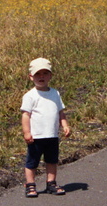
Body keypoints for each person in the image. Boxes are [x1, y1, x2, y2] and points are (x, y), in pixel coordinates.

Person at [21, 57, 71, 198]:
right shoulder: (30, 96)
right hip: (36, 136)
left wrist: (65, 125)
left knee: (52, 160)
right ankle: (30, 185)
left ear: (50, 76)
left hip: (52, 135)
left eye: (45, 73)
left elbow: (60, 111)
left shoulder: (55, 93)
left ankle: (51, 183)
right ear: (31, 77)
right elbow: (26, 115)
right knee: (32, 162)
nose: (41, 77)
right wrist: (27, 132)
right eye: (37, 74)